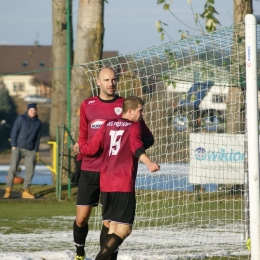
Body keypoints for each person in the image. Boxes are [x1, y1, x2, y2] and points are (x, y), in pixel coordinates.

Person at [71, 68, 154, 260]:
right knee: (83, 217)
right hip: (92, 168)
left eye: (114, 80)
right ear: (98, 82)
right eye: (107, 80)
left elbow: (145, 138)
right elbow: (84, 137)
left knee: (109, 223)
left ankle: (108, 257)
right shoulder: (88, 105)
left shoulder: (127, 106)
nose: (111, 83)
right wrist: (78, 161)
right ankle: (79, 252)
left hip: (111, 173)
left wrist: (133, 146)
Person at [4, 103, 42, 199]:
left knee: (30, 171)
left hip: (31, 149)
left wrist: (36, 150)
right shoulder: (21, 119)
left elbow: (38, 138)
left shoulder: (38, 123)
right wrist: (13, 145)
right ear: (28, 110)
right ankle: (8, 190)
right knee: (13, 169)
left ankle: (26, 191)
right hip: (18, 148)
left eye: (34, 110)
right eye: (31, 110)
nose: (33, 112)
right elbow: (14, 131)